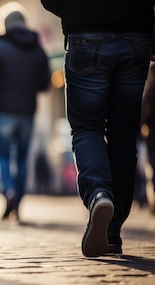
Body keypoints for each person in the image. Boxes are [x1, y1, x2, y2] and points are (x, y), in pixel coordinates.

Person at [41, 0, 153, 257]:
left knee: (86, 127)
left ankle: (99, 194)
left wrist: (76, 11)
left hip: (86, 33)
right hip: (136, 35)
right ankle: (113, 231)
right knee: (123, 134)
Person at [0, 4, 50, 222]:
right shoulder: (37, 47)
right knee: (21, 159)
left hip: (2, 112)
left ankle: (8, 190)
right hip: (27, 112)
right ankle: (17, 203)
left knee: (1, 156)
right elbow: (45, 84)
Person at [141, 63, 155, 216]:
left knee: (153, 169)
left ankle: (153, 202)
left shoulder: (150, 91)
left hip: (152, 137)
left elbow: (145, 114)